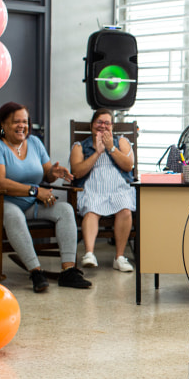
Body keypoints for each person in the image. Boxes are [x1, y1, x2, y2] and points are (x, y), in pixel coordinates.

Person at [0, 102, 92, 293]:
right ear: (3, 125)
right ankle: (35, 271)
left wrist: (53, 173)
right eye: (16, 122)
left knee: (65, 209)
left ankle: (68, 270)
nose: (21, 125)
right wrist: (34, 191)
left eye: (25, 121)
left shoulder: (34, 143)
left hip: (30, 204)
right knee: (14, 214)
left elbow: (46, 173)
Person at [69, 109, 136, 272]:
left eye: (107, 123)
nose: (103, 126)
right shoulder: (80, 146)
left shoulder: (121, 142)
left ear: (112, 127)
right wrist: (98, 152)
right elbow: (77, 172)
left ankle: (119, 257)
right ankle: (89, 254)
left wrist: (111, 148)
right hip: (93, 187)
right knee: (91, 210)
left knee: (125, 210)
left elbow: (128, 166)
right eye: (99, 122)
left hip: (118, 187)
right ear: (92, 125)